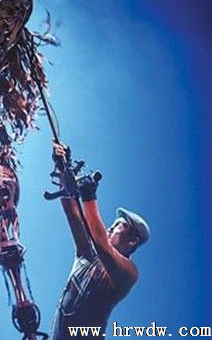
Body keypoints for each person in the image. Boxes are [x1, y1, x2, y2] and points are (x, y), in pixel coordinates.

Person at [51, 143, 150, 339]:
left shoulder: (129, 273)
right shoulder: (86, 254)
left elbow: (100, 243)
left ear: (132, 241)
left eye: (119, 225)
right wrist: (62, 168)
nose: (109, 228)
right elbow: (72, 212)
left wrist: (89, 197)